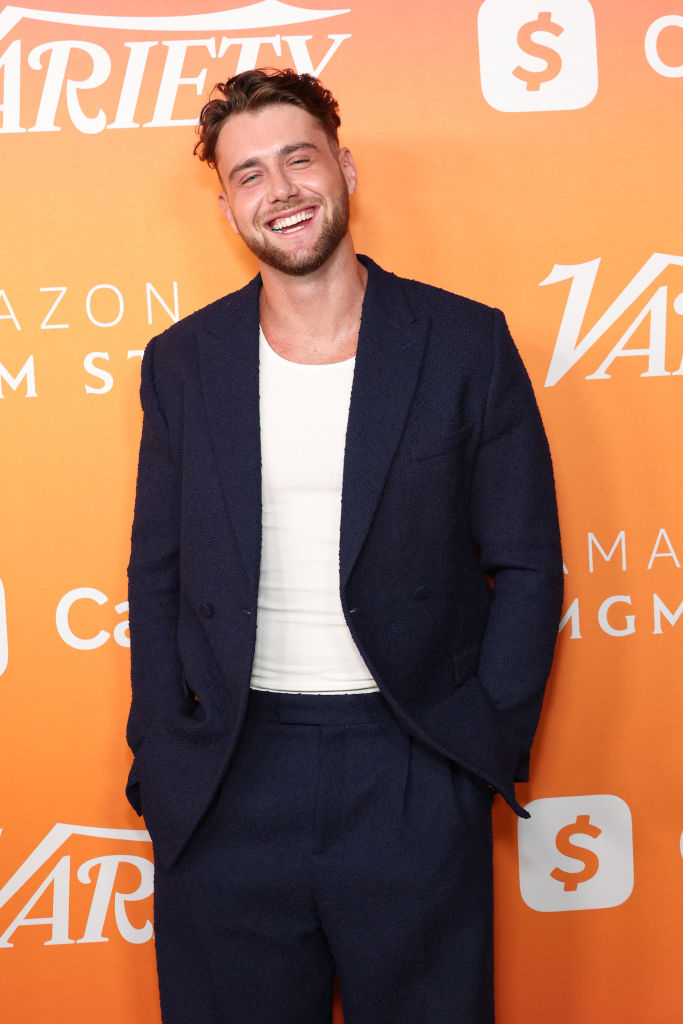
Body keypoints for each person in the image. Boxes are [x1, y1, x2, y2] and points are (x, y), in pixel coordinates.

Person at [125, 68, 563, 1024]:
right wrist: (161, 747)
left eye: (297, 159)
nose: (278, 189)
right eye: (248, 174)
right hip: (229, 773)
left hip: (407, 762)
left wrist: (473, 742)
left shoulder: (463, 343)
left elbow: (528, 562)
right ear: (227, 206)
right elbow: (155, 574)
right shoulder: (183, 363)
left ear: (344, 168)